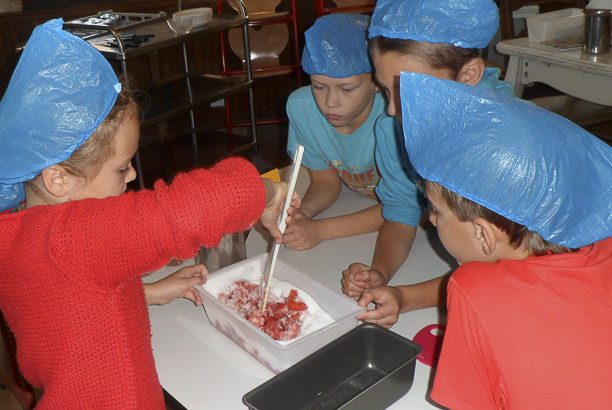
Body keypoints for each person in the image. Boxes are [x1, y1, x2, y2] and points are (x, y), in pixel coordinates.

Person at [0, 20, 295, 409]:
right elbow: (185, 212)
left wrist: (146, 293)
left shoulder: (17, 229)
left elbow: (62, 306)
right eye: (122, 168)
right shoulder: (73, 238)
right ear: (58, 179)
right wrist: (269, 190)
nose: (133, 175)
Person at [362, 71, 612, 407]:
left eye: (436, 211)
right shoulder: (601, 243)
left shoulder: (473, 288)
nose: (430, 219)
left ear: (483, 234)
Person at [342, 0, 519, 314]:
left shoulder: (506, 148)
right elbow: (401, 210)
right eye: (385, 90)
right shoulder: (392, 127)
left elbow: (505, 270)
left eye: (411, 93)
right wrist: (380, 275)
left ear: (469, 75)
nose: (392, 110)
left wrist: (407, 298)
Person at [283, 13, 393, 250]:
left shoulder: (397, 115)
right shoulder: (302, 109)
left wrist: (321, 230)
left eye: (347, 89)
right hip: (356, 212)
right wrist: (303, 214)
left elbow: (408, 207)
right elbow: (325, 181)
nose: (330, 102)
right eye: (318, 87)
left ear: (377, 81)